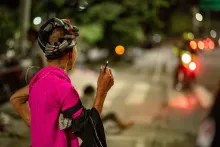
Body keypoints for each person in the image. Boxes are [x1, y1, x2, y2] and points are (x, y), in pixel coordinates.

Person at [10, 18, 114, 147]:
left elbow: (16, 99)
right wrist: (101, 92)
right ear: (70, 53)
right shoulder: (63, 88)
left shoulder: (38, 80)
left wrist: (40, 129)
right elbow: (90, 133)